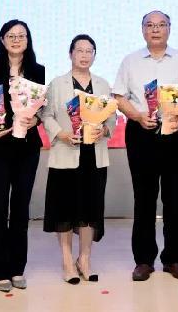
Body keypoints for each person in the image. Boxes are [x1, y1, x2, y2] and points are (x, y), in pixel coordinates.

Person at [112, 10, 178, 282]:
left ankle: (173, 258)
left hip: (176, 132)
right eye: (150, 25)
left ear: (169, 29)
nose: (155, 29)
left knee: (176, 197)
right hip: (141, 132)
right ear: (142, 30)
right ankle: (143, 260)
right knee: (144, 197)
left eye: (161, 25)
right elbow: (119, 97)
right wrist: (138, 116)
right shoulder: (130, 61)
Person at [0, 20, 45, 292]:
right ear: (2, 40)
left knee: (21, 208)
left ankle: (17, 268)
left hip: (27, 147)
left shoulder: (37, 70)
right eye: (11, 36)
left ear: (28, 40)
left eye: (21, 36)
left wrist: (35, 120)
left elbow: (42, 107)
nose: (16, 40)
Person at [41, 34, 117, 284]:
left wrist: (105, 130)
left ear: (94, 55)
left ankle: (84, 259)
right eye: (79, 50)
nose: (84, 55)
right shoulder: (57, 84)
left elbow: (112, 117)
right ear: (70, 54)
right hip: (66, 153)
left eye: (89, 51)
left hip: (94, 156)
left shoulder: (103, 84)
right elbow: (46, 115)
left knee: (90, 210)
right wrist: (60, 134)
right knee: (64, 210)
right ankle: (67, 262)